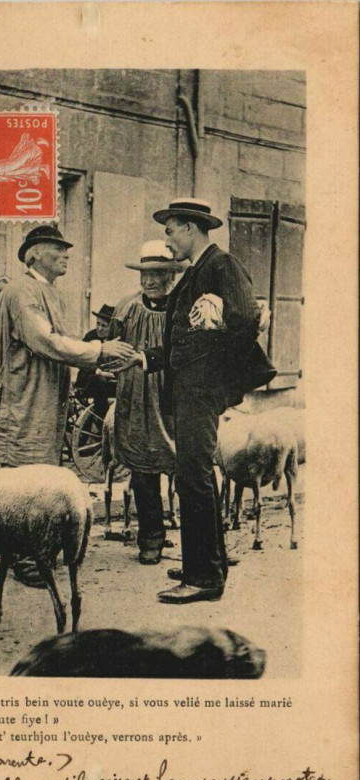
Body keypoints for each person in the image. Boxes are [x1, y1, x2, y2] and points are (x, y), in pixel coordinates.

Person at [125, 198, 275, 604]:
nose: (167, 238)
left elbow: (245, 319)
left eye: (170, 229)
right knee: (197, 475)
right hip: (189, 388)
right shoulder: (196, 274)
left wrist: (216, 344)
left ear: (190, 229)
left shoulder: (220, 265)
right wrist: (141, 358)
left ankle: (203, 579)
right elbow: (178, 342)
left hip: (201, 389)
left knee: (193, 476)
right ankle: (208, 562)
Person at [0, 225, 135, 467]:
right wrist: (99, 350)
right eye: (59, 249)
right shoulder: (21, 290)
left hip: (41, 397)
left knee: (39, 471)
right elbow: (45, 341)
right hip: (24, 397)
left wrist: (104, 355)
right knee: (23, 472)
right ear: (35, 253)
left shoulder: (51, 292)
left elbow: (64, 340)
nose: (66, 255)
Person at [108, 241, 183, 564]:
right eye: (145, 275)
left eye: (157, 274)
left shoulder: (182, 309)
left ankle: (197, 542)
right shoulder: (126, 309)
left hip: (173, 398)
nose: (150, 281)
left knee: (185, 468)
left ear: (170, 276)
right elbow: (111, 347)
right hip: (135, 397)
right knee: (142, 471)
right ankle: (150, 538)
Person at [75, 304, 116, 418]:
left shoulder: (117, 339)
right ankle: (99, 419)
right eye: (98, 324)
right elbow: (81, 359)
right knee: (96, 379)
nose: (99, 328)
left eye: (104, 325)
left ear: (112, 327)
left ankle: (102, 419)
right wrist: (96, 370)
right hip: (90, 375)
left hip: (110, 380)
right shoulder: (91, 336)